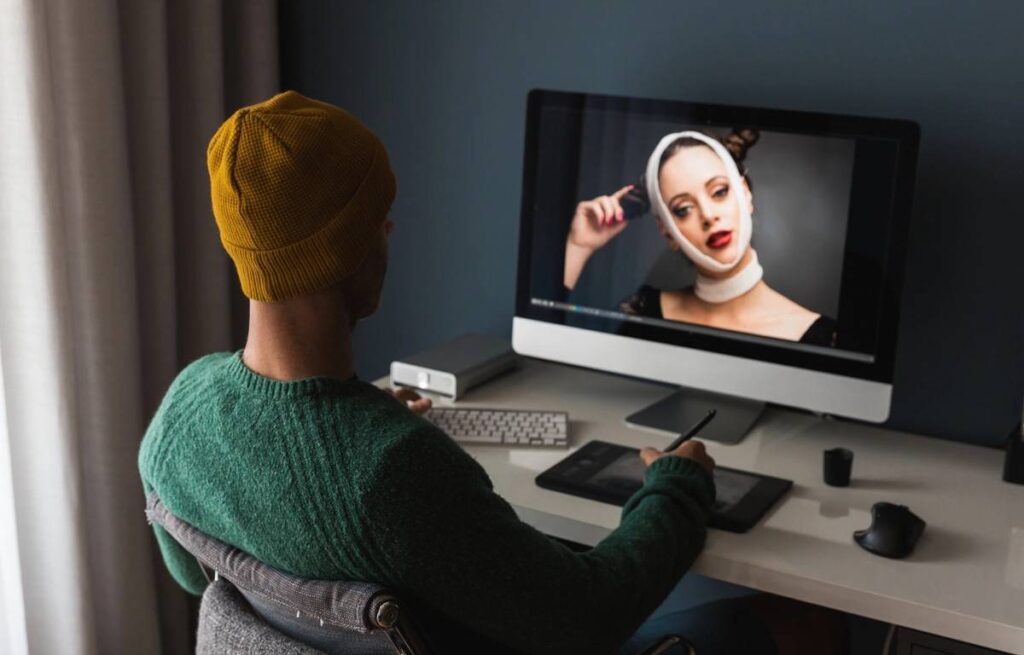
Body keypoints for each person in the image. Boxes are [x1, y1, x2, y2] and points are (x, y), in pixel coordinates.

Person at [138, 91, 735, 654]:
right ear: (345, 246)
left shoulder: (181, 414)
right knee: (780, 622)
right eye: (379, 217)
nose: (389, 231)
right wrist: (677, 489)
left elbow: (194, 573)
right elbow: (588, 616)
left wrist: (368, 431)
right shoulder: (395, 475)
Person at [562, 128, 837, 347]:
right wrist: (579, 246)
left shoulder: (822, 337)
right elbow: (560, 356)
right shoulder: (640, 312)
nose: (708, 215)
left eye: (719, 192)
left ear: (746, 194)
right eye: (683, 209)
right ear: (667, 232)